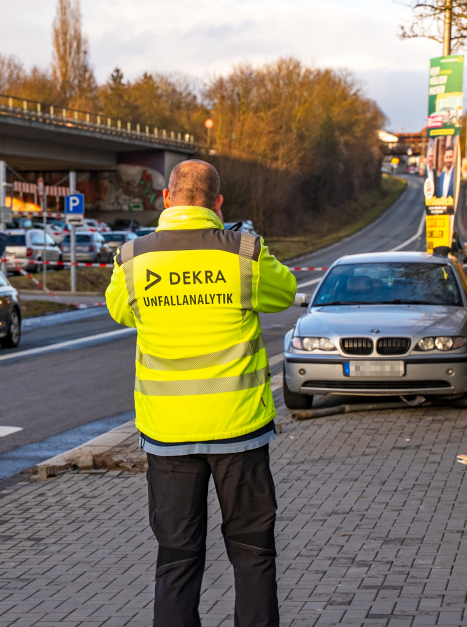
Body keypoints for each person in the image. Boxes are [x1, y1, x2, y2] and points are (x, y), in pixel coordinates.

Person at [106, 159, 297, 627]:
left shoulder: (133, 257)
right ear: (218, 204)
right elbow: (286, 292)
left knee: (176, 557)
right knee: (252, 554)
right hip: (239, 431)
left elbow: (119, 312)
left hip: (168, 435)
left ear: (167, 199)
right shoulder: (245, 252)